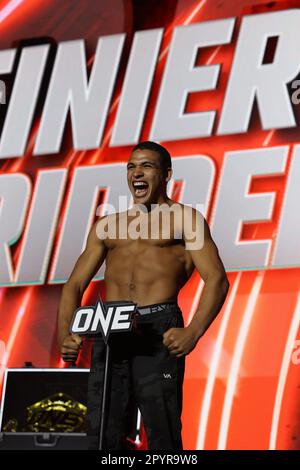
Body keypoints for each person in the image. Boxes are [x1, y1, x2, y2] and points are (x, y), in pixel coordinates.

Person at [57, 140, 229, 450]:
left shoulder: (185, 219)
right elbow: (74, 285)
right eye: (132, 167)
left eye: (147, 166)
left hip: (157, 329)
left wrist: (194, 331)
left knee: (162, 433)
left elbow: (216, 278)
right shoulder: (109, 225)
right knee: (101, 436)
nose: (137, 172)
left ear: (166, 174)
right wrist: (64, 335)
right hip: (109, 332)